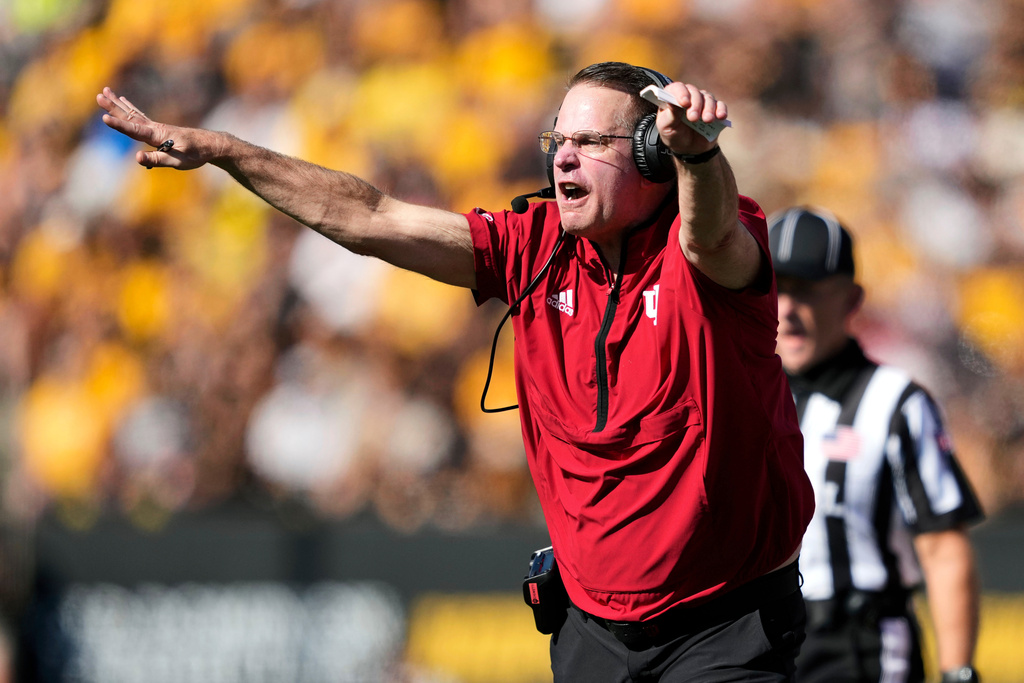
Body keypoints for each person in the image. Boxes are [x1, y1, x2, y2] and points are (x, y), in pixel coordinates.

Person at [98, 61, 814, 681]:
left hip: (727, 623)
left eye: (591, 142)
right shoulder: (532, 246)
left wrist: (699, 158)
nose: (563, 159)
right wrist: (225, 151)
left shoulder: (712, 244)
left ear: (655, 155)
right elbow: (370, 216)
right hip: (594, 630)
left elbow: (711, 232)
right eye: (557, 140)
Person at [767, 206, 984, 683]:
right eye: (777, 288)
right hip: (764, 645)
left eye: (807, 290)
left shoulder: (895, 402)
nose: (788, 309)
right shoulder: (743, 398)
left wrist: (958, 671)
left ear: (851, 300)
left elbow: (944, 549)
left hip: (860, 645)